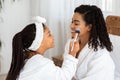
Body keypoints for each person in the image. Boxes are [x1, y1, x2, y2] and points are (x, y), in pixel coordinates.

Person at [6, 16, 80, 80]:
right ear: (39, 41)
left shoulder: (28, 60)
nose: (53, 37)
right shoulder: (41, 64)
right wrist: (72, 54)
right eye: (49, 34)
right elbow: (63, 77)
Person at [64, 5, 115, 80]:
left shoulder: (100, 55)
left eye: (76, 23)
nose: (71, 26)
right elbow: (66, 72)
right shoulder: (70, 43)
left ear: (89, 27)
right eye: (72, 22)